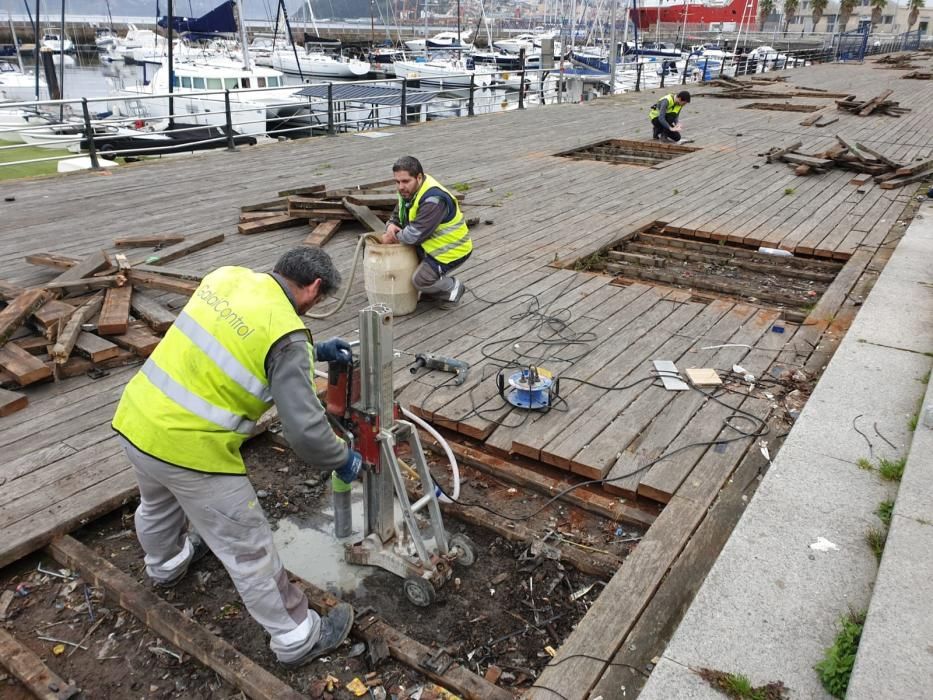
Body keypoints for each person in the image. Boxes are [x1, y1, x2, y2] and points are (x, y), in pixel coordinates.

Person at [111, 247, 362, 667]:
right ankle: (297, 636)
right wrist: (341, 458)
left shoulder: (226, 277)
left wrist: (311, 352)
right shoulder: (288, 336)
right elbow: (305, 432)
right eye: (319, 300)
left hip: (136, 420)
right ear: (314, 287)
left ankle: (166, 565)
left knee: (156, 504)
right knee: (248, 546)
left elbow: (238, 337)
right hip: (191, 450)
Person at [381, 155, 472, 307]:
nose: (400, 187)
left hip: (450, 250)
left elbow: (413, 235)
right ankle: (433, 290)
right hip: (430, 244)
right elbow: (399, 212)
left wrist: (392, 236)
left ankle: (453, 289)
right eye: (397, 182)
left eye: (405, 181)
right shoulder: (409, 191)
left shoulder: (434, 200)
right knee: (406, 268)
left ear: (419, 177)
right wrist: (391, 224)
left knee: (420, 280)